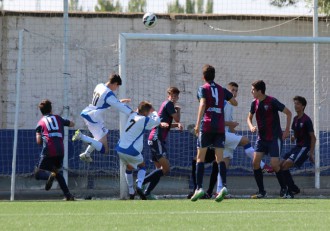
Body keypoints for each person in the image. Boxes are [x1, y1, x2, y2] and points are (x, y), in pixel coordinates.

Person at [187, 82, 273, 199]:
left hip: (225, 135)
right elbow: (219, 121)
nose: (234, 93)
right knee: (246, 141)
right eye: (232, 90)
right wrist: (232, 127)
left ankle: (219, 191)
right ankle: (263, 165)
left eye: (236, 90)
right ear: (227, 92)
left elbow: (229, 125)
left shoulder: (230, 105)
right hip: (220, 134)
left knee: (224, 163)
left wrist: (233, 131)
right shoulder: (224, 103)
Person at [191, 64, 238, 202]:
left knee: (200, 158)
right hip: (219, 127)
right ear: (214, 76)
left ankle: (199, 188)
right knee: (220, 158)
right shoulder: (221, 89)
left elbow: (203, 103)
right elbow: (234, 102)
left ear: (203, 76)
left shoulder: (202, 88)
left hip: (207, 125)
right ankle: (223, 186)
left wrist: (197, 123)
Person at [72, 73, 133, 162]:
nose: (117, 89)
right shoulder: (109, 93)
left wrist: (118, 101)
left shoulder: (99, 86)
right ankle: (81, 136)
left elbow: (103, 101)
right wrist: (132, 113)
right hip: (94, 118)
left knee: (101, 137)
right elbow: (119, 106)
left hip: (90, 113)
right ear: (115, 83)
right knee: (105, 150)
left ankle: (87, 154)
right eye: (117, 86)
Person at [247, 80, 292, 199]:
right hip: (261, 139)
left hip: (274, 138)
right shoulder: (254, 103)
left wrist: (287, 130)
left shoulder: (272, 101)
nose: (251, 91)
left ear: (259, 91)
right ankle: (262, 191)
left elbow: (288, 113)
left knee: (274, 164)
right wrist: (251, 126)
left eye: (253, 90)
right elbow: (249, 117)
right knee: (255, 163)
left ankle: (284, 189)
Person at [141, 87, 183, 200]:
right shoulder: (169, 104)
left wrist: (175, 125)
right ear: (168, 95)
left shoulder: (166, 105)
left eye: (176, 96)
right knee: (166, 169)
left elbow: (165, 124)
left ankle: (147, 193)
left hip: (154, 139)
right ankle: (141, 182)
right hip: (156, 139)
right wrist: (178, 110)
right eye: (172, 95)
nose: (174, 98)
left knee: (158, 168)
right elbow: (177, 118)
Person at [115, 101, 160, 200]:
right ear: (145, 112)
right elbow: (157, 122)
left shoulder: (132, 114)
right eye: (148, 112)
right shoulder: (144, 119)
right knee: (142, 166)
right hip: (130, 150)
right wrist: (154, 112)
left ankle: (131, 192)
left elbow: (128, 108)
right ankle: (139, 186)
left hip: (119, 148)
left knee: (129, 167)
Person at [34, 99, 75, 200]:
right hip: (60, 150)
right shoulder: (58, 118)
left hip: (49, 149)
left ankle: (48, 177)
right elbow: (72, 124)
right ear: (51, 109)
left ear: (41, 112)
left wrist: (40, 134)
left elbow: (38, 141)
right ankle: (68, 195)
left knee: (38, 173)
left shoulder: (40, 123)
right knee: (57, 173)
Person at [280, 96, 316, 198]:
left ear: (303, 106)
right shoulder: (295, 119)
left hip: (304, 148)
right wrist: (292, 137)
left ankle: (289, 190)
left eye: (298, 104)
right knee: (280, 164)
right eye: (295, 103)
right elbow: (295, 134)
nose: (295, 106)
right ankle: (294, 189)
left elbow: (313, 138)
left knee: (285, 165)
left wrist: (311, 153)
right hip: (297, 147)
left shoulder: (306, 120)